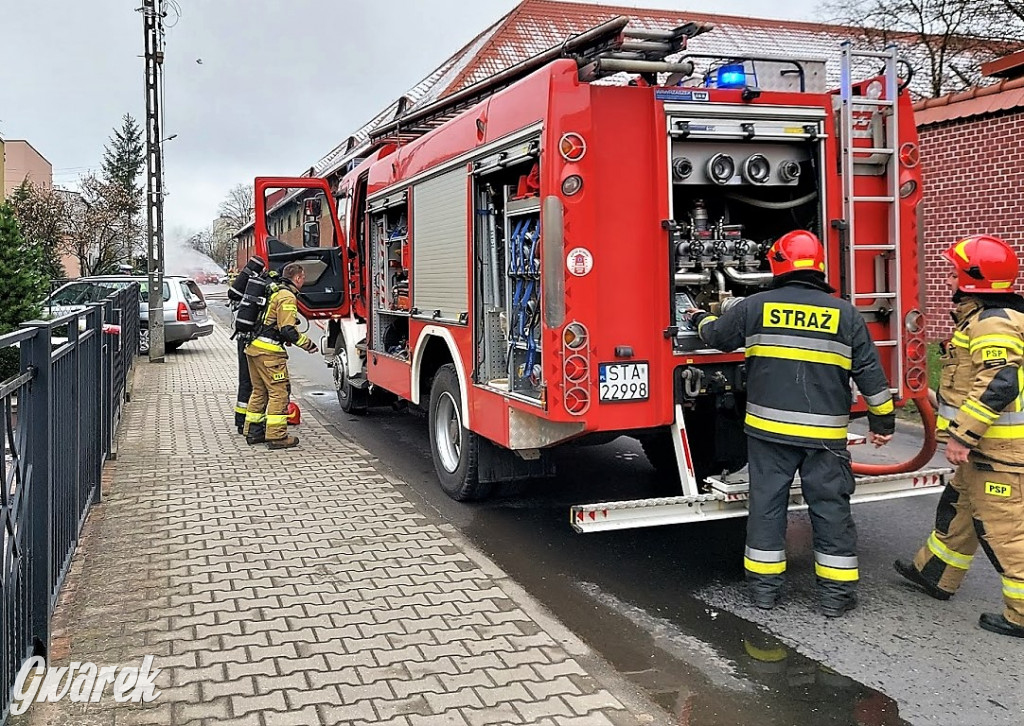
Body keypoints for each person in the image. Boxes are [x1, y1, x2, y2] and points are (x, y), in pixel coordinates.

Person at [685, 230, 894, 617]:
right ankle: (835, 598)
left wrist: (696, 316)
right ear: (818, 266)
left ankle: (765, 593)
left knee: (767, 507)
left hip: (769, 433)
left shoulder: (756, 306)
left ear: (778, 264)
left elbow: (717, 336)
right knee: (830, 510)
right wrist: (884, 423)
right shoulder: (845, 313)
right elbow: (870, 373)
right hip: (825, 437)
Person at [894, 234, 1024, 638]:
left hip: (996, 450)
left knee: (1005, 529)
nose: (950, 277)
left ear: (971, 277)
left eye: (955, 271)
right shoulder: (987, 317)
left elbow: (1000, 382)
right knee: (960, 508)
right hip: (987, 448)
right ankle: (934, 573)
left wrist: (963, 437)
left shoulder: (993, 322)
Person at [243, 263, 318, 449]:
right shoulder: (287, 296)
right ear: (298, 278)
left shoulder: (274, 290)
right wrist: (308, 344)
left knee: (259, 391)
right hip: (269, 353)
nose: (303, 281)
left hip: (253, 348)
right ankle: (277, 436)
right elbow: (288, 330)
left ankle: (253, 432)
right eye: (303, 278)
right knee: (279, 393)